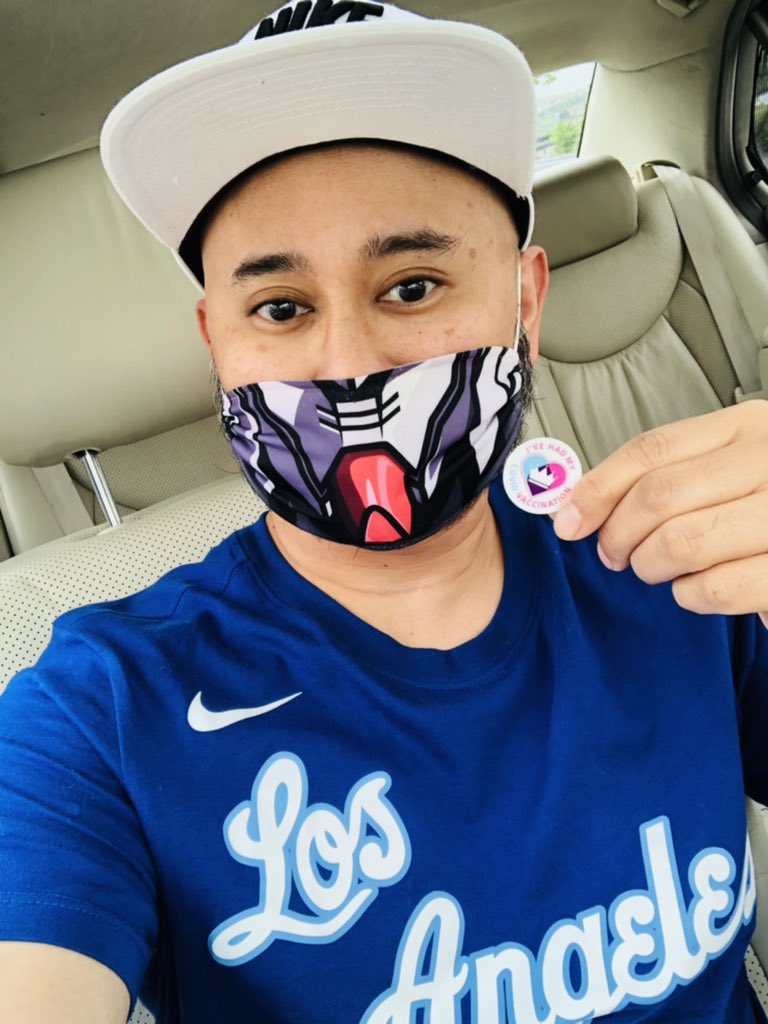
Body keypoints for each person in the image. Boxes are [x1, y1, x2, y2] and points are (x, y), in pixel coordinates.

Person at [1, 3, 767, 1022]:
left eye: (412, 285)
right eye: (280, 308)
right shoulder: (98, 712)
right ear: (217, 343)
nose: (349, 363)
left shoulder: (687, 566)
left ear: (525, 304)